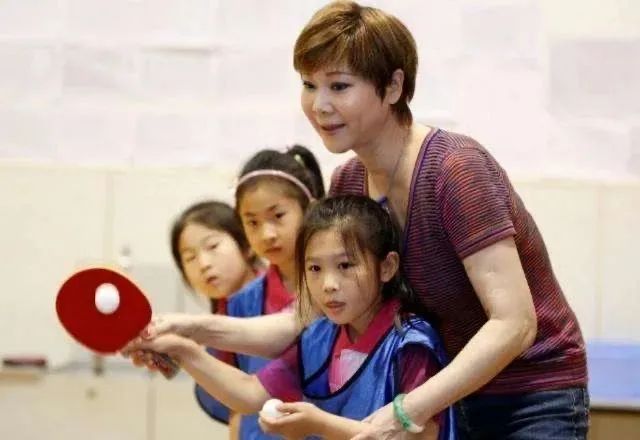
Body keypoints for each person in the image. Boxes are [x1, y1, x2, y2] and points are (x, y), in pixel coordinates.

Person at [127, 2, 588, 438]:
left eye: (339, 86)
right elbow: (300, 319)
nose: (319, 105)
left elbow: (514, 323)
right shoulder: (348, 181)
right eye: (309, 85)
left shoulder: (456, 170)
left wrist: (407, 410)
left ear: (393, 87)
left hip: (530, 395)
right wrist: (185, 330)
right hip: (444, 394)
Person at [126, 195, 455, 440]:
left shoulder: (411, 343)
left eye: (345, 265)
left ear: (387, 266)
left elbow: (421, 437)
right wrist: (182, 350)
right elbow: (250, 394)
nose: (328, 284)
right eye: (314, 268)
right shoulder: (319, 337)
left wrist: (319, 425)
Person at [138, 145, 325, 439]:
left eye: (277, 215)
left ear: (309, 209)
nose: (267, 234)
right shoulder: (241, 303)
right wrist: (174, 348)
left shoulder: (330, 293)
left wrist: (187, 337)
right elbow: (237, 401)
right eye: (252, 222)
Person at [170, 200, 261, 437]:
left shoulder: (277, 308)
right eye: (189, 258)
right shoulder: (221, 320)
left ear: (247, 245)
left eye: (212, 246)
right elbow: (237, 413)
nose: (203, 264)